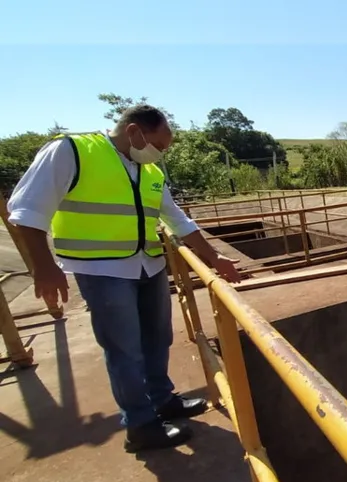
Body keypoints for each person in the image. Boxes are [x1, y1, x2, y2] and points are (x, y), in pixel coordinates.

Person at [7, 104, 242, 453]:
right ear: (135, 132)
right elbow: (26, 210)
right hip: (103, 270)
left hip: (149, 265)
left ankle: (162, 401)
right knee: (125, 350)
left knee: (157, 338)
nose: (160, 154)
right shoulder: (72, 151)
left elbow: (177, 220)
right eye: (159, 146)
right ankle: (141, 425)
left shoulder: (148, 171)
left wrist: (214, 257)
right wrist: (44, 266)